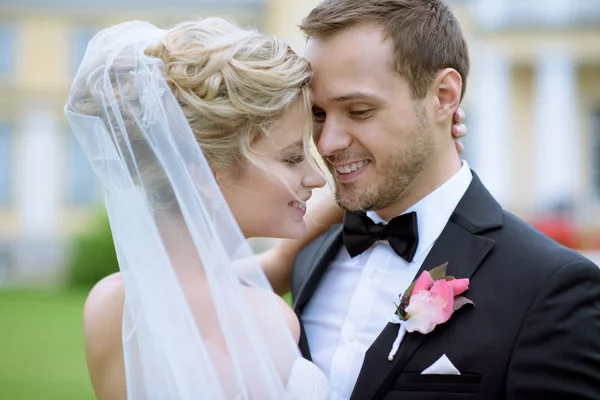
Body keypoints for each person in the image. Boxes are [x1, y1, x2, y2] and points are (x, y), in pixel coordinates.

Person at [65, 15, 467, 400]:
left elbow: (265, 269)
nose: (316, 176)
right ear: (206, 173)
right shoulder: (267, 321)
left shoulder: (114, 303)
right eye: (292, 158)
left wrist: (413, 149)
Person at [286, 1, 600, 400]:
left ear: (444, 95)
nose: (327, 143)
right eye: (317, 114)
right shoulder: (308, 260)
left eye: (359, 111)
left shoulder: (550, 285)